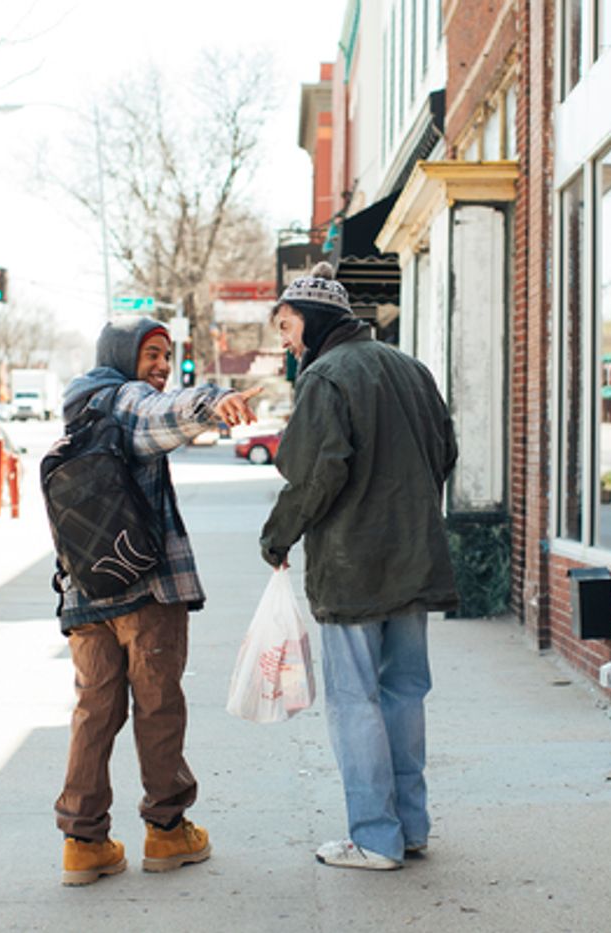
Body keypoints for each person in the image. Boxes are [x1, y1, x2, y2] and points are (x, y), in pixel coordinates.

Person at [259, 263, 459, 871]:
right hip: (414, 558)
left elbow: (316, 471)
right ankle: (410, 828)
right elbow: (445, 452)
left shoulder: (325, 377)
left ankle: (374, 837)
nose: (286, 342)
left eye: (289, 327)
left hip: (352, 566)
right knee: (404, 692)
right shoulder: (411, 368)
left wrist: (277, 536)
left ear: (314, 323)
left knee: (354, 699)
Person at [55, 316, 259, 886]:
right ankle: (167, 832)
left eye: (166, 355)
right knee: (158, 707)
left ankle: (82, 841)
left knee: (94, 711)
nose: (161, 366)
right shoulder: (128, 401)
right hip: (145, 591)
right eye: (150, 354)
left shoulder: (79, 405)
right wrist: (215, 402)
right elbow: (158, 415)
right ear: (123, 356)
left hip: (86, 590)